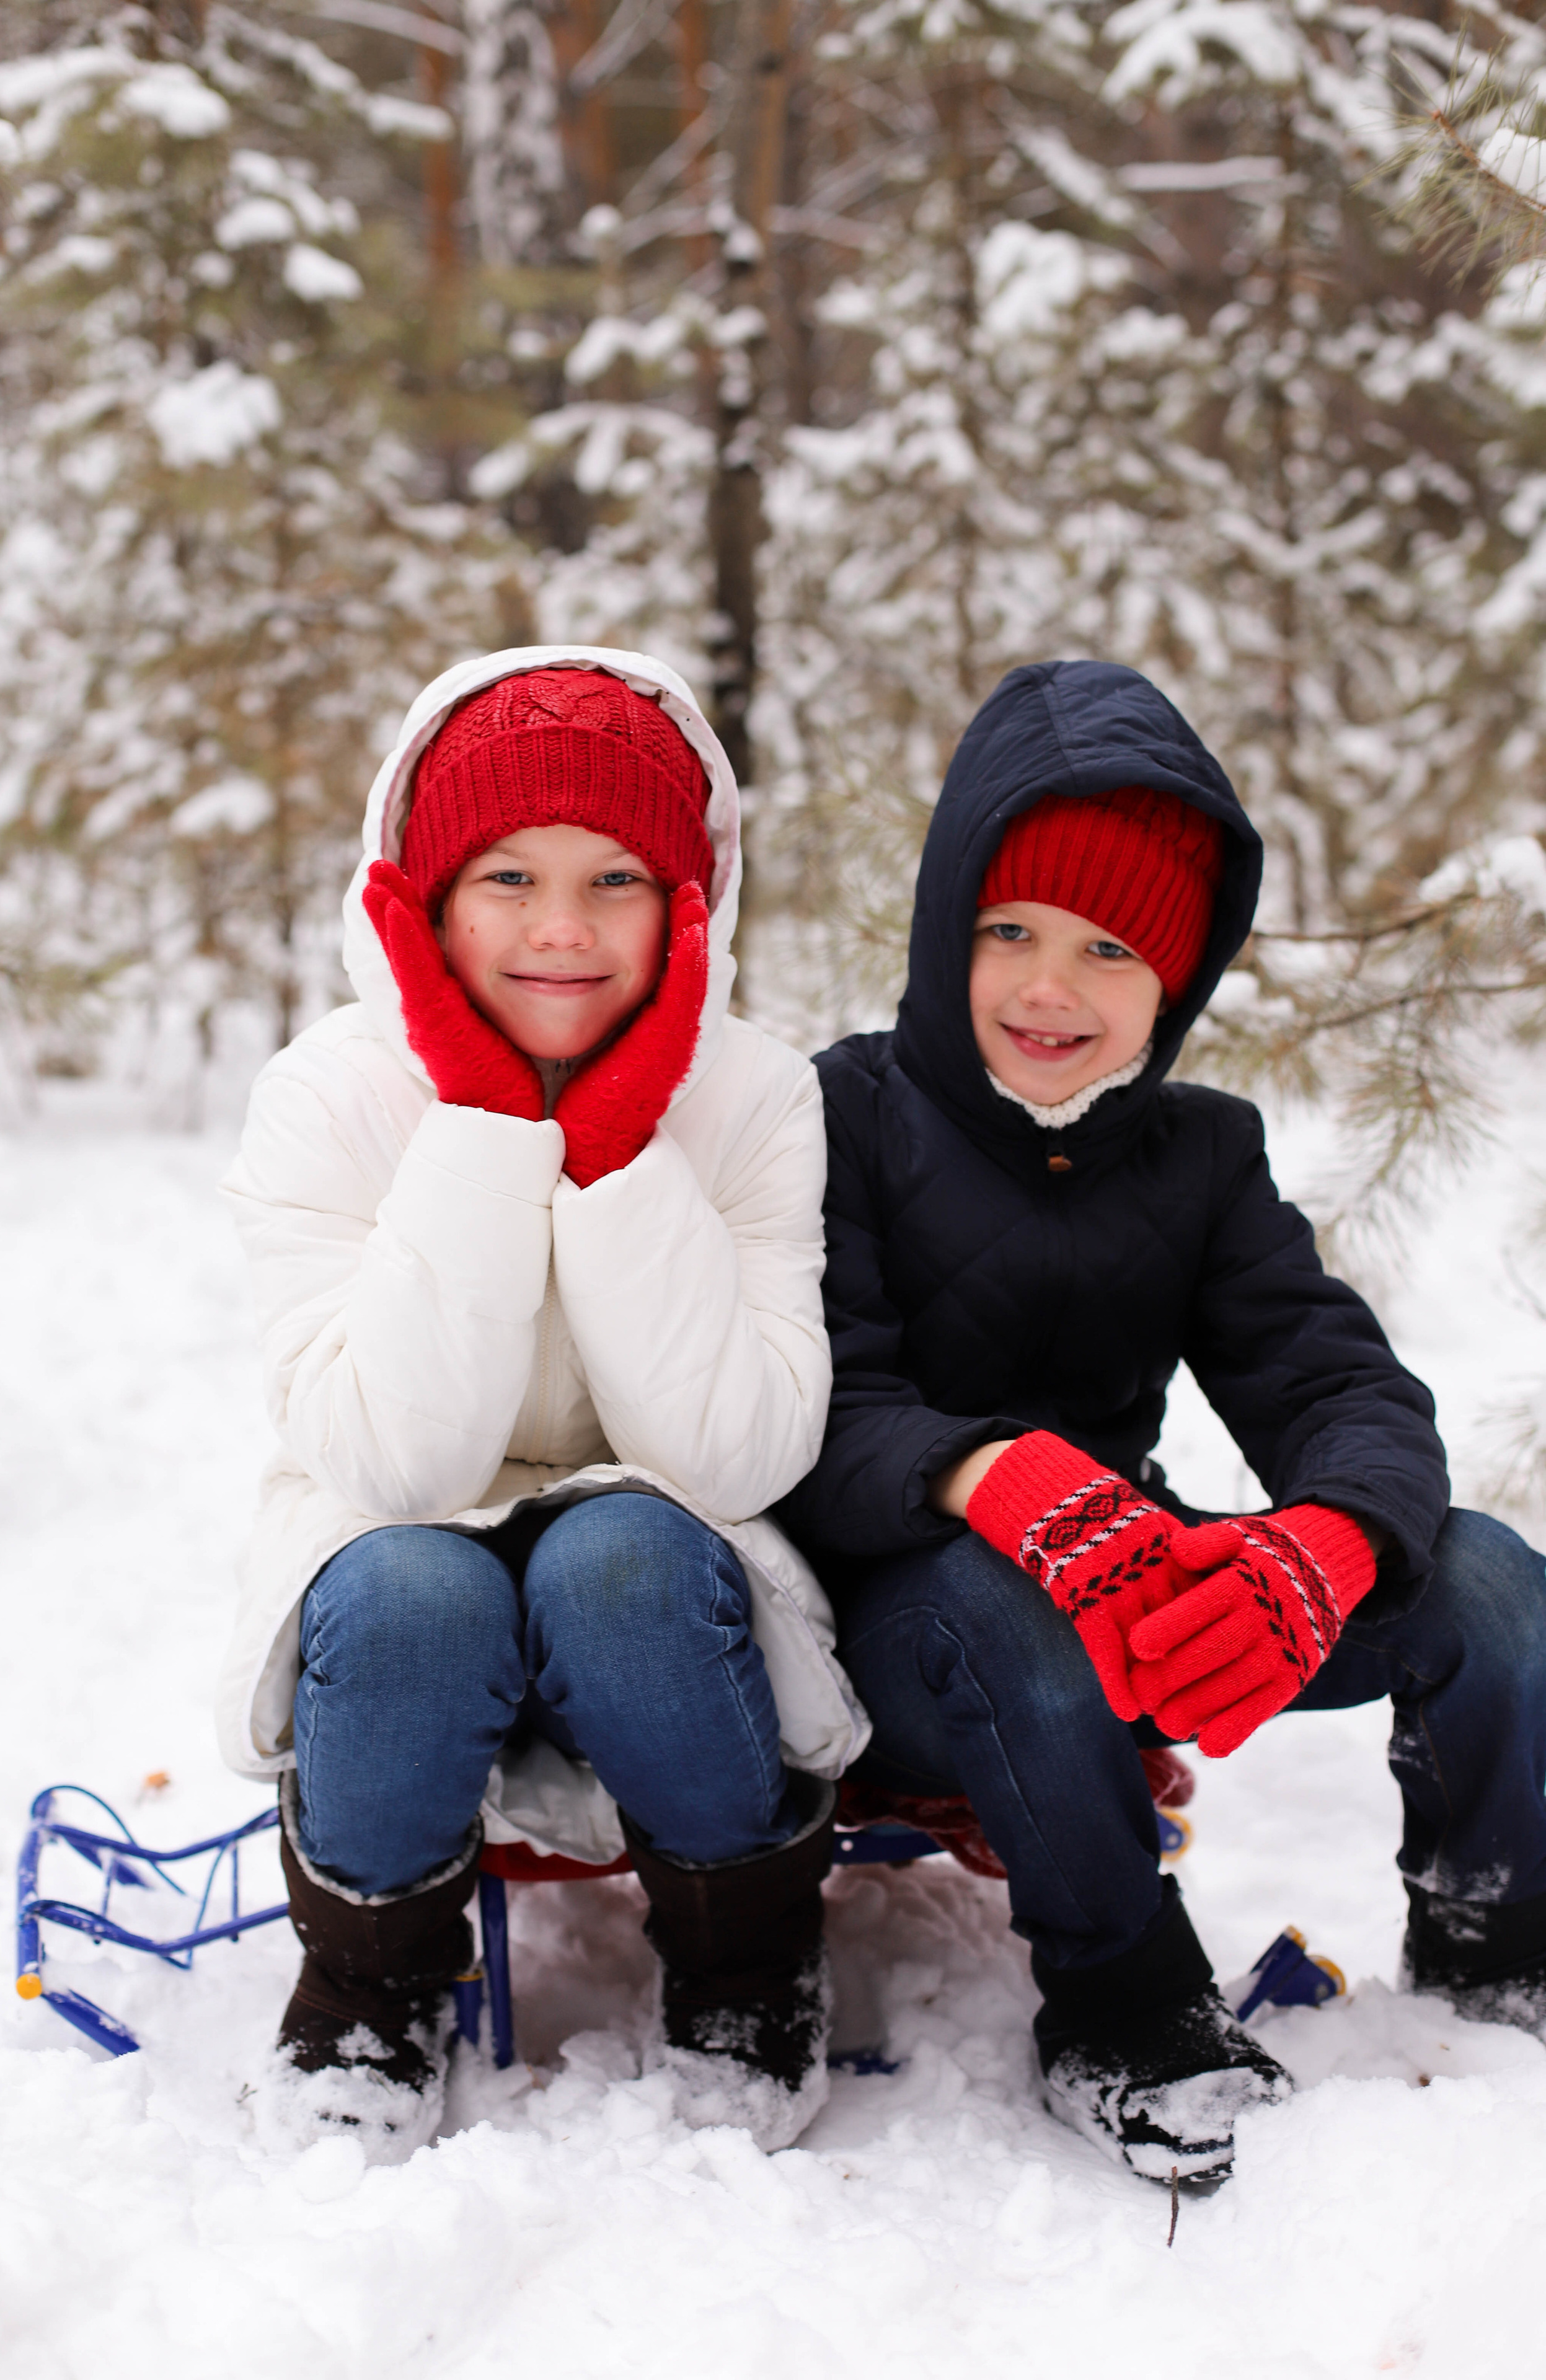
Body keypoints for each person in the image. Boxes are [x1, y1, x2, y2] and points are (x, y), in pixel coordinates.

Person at [778, 658, 1546, 2185]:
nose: (1048, 987)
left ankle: (1493, 1938)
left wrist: (1318, 1547)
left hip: (1134, 1582)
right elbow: (815, 1406)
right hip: (915, 1615)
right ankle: (1122, 1999)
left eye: (1108, 947)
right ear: (946, 926)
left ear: (1176, 979)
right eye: (1008, 931)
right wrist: (991, 1479)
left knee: (1483, 1581)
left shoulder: (1200, 1154)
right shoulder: (841, 1113)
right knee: (1010, 1610)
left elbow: (1333, 1381)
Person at [219, 646, 867, 2155]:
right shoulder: (327, 1096)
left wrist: (625, 1149)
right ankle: (370, 1985)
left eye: (617, 880)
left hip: (659, 1531)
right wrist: (489, 1126)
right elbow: (396, 1460)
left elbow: (735, 1449)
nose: (561, 931)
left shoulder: (755, 1094)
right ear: (423, 899)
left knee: (621, 1559)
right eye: (506, 876)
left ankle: (744, 1961)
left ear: (691, 901)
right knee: (411, 1591)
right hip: (396, 1521)